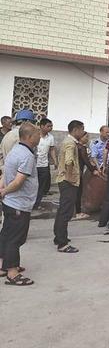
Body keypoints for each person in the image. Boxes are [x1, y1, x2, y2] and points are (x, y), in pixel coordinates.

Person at [0, 122, 41, 286]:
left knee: (6, 234)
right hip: (18, 203)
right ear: (30, 137)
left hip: (10, 203)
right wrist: (4, 191)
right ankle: (12, 273)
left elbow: (5, 173)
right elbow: (18, 182)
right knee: (15, 238)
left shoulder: (15, 150)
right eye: (37, 135)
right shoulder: (27, 156)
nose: (39, 138)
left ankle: (3, 265)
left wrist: (3, 188)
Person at [54, 120, 86, 253]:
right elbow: (69, 161)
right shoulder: (70, 144)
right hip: (68, 182)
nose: (83, 132)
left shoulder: (69, 141)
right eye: (82, 129)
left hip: (65, 180)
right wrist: (69, 178)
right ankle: (62, 244)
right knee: (66, 212)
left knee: (62, 210)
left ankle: (59, 237)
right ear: (75, 130)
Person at [0, 109, 35, 174]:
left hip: (6, 172)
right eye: (33, 123)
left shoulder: (8, 134)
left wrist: (3, 169)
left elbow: (1, 155)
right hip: (18, 175)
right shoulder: (24, 136)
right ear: (27, 122)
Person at [34, 118, 57, 210]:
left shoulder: (50, 137)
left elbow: (52, 149)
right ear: (42, 126)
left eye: (51, 126)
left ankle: (37, 204)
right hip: (33, 164)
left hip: (44, 165)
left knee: (42, 186)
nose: (50, 128)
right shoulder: (35, 135)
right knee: (32, 185)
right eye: (48, 126)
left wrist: (55, 161)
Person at [75, 132, 99, 219]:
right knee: (78, 192)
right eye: (86, 137)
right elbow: (86, 161)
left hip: (76, 171)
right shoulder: (82, 148)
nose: (87, 139)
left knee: (76, 192)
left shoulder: (77, 146)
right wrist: (93, 170)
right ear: (81, 137)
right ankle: (78, 212)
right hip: (78, 172)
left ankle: (75, 210)